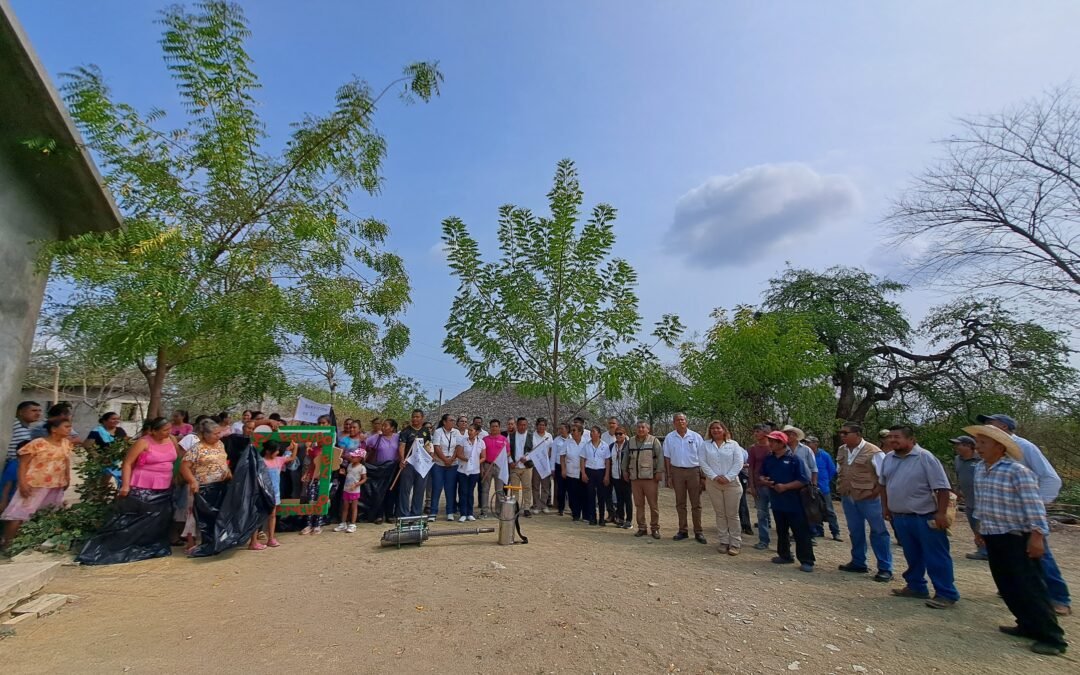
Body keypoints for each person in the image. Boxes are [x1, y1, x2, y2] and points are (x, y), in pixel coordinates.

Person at [964, 424, 1067, 656]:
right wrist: (979, 529)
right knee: (1007, 584)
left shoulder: (1017, 471)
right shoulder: (981, 469)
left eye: (983, 443)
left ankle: (1052, 637)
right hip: (994, 534)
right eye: (977, 443)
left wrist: (1037, 537)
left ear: (1000, 447)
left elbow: (1034, 507)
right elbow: (982, 503)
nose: (978, 448)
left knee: (1030, 586)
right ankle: (1026, 624)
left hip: (1017, 537)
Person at [976, 413, 1070, 616]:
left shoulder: (1024, 446)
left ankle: (1058, 598)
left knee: (1039, 556)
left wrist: (1037, 505)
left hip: (1025, 514)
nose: (985, 427)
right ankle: (1018, 595)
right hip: (1003, 516)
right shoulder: (987, 451)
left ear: (1004, 427)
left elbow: (1050, 478)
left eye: (990, 424)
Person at [76, 417, 179, 565]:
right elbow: (127, 463)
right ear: (153, 431)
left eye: (169, 429)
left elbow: (175, 460)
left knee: (158, 518)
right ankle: (121, 545)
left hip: (164, 484)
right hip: (142, 484)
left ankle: (150, 545)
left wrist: (175, 478)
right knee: (135, 518)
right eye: (164, 430)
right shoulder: (143, 442)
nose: (168, 432)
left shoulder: (172, 440)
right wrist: (125, 485)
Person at [880, 425, 958, 609]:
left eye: (897, 437)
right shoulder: (888, 458)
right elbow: (883, 485)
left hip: (925, 516)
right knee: (912, 554)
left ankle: (946, 593)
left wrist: (941, 513)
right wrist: (886, 507)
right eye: (890, 437)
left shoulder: (925, 457)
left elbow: (942, 488)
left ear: (911, 439)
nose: (892, 440)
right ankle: (916, 586)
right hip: (900, 516)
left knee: (936, 555)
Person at [0, 418, 74, 547]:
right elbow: (23, 464)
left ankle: (28, 543)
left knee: (46, 513)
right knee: (19, 514)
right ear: (54, 429)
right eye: (66, 426)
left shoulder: (66, 443)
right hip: (34, 484)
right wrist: (23, 483)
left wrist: (67, 478)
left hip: (56, 485)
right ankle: (7, 544)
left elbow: (66, 462)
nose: (69, 429)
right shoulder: (38, 443)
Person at [836, 423, 893, 582]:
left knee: (879, 531)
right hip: (849, 497)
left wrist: (874, 493)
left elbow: (884, 477)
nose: (842, 435)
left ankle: (885, 568)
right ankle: (858, 561)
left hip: (870, 499)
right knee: (855, 530)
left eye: (845, 432)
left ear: (858, 434)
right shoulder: (842, 450)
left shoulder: (874, 452)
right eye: (841, 432)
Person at [759, 430, 814, 572]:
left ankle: (807, 560)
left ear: (781, 443)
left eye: (772, 441)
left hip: (795, 502)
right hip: (777, 501)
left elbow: (804, 479)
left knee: (800, 531)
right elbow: (762, 474)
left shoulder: (795, 460)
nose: (769, 444)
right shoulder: (769, 458)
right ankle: (784, 555)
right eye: (769, 441)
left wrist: (785, 487)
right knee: (781, 530)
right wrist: (764, 480)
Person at [179, 419, 232, 553]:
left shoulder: (220, 444)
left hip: (220, 485)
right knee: (194, 515)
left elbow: (223, 461)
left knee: (216, 514)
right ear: (205, 434)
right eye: (215, 434)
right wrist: (192, 481)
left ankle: (215, 541)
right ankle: (191, 544)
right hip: (201, 487)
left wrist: (229, 474)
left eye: (219, 433)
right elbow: (184, 467)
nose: (218, 436)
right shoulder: (197, 448)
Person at [701, 421, 745, 555]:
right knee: (720, 514)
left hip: (731, 484)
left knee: (732, 514)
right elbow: (703, 462)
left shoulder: (733, 444)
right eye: (713, 428)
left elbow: (739, 462)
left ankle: (735, 543)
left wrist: (728, 477)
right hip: (713, 483)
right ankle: (724, 541)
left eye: (718, 428)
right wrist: (714, 476)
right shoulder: (705, 445)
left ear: (724, 430)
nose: (715, 430)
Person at [663, 413, 706, 543]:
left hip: (694, 471)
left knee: (696, 503)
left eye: (682, 419)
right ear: (673, 423)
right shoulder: (670, 437)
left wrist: (703, 476)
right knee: (680, 503)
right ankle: (683, 530)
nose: (680, 422)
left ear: (686, 421)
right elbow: (667, 458)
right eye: (677, 420)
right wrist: (669, 476)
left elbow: (703, 456)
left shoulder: (696, 437)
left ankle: (698, 531)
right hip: (677, 471)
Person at [623, 420, 664, 539]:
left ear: (648, 429)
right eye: (638, 427)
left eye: (643, 427)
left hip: (650, 478)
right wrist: (624, 470)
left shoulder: (654, 441)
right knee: (639, 504)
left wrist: (659, 472)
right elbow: (626, 457)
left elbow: (660, 456)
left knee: (653, 505)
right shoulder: (630, 441)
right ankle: (642, 528)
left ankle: (655, 528)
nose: (640, 429)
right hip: (635, 478)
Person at [950, 434, 986, 561]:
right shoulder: (957, 460)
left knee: (983, 525)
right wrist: (958, 491)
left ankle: (988, 551)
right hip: (969, 500)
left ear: (969, 446)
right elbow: (959, 475)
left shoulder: (981, 459)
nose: (956, 447)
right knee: (974, 526)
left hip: (983, 500)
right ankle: (982, 550)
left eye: (959, 444)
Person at [2, 401, 42, 512]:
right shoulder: (14, 424)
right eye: (33, 410)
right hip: (13, 465)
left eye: (39, 411)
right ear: (20, 412)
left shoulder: (25, 428)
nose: (38, 413)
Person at [397, 409, 434, 520]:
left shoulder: (425, 431)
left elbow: (428, 445)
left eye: (417, 417)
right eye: (413, 417)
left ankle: (416, 514)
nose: (415, 419)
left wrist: (430, 456)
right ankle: (404, 514)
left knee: (419, 490)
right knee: (405, 490)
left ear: (422, 418)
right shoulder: (405, 431)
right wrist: (402, 460)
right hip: (408, 464)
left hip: (421, 465)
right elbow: (402, 446)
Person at [364, 418, 399, 524]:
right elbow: (364, 445)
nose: (383, 427)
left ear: (392, 428)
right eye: (382, 425)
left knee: (391, 491)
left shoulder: (398, 437)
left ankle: (389, 514)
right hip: (379, 469)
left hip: (393, 469)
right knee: (378, 491)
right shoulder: (376, 438)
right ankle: (379, 515)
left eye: (386, 425)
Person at [259, 440, 293, 547]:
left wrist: (294, 447)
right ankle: (254, 540)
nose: (278, 452)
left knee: (272, 515)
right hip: (263, 492)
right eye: (276, 450)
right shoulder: (261, 462)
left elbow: (291, 458)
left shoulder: (278, 460)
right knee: (259, 516)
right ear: (268, 451)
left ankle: (271, 538)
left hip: (275, 493)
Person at [807, 436, 841, 542]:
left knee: (829, 510)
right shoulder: (806, 454)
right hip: (810, 487)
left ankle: (836, 532)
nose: (807, 445)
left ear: (816, 443)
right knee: (812, 510)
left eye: (809, 443)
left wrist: (825, 481)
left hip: (823, 487)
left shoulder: (824, 455)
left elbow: (832, 470)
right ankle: (817, 530)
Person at [747, 424, 773, 551]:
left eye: (758, 431)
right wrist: (751, 485)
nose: (755, 434)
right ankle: (764, 540)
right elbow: (750, 468)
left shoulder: (774, 447)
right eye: (754, 431)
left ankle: (783, 542)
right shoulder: (753, 448)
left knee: (779, 514)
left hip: (774, 485)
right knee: (761, 514)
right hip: (759, 485)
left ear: (766, 433)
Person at [431, 413, 461, 522]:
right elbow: (436, 446)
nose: (453, 422)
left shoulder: (456, 432)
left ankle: (450, 512)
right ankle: (433, 512)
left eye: (453, 420)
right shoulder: (438, 431)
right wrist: (445, 459)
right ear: (444, 422)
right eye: (451, 420)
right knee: (437, 487)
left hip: (452, 464)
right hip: (439, 464)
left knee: (450, 488)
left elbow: (458, 446)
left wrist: (452, 459)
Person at [581, 425, 611, 526]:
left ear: (599, 433)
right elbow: (582, 460)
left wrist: (606, 475)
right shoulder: (586, 445)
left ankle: (602, 518)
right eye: (591, 432)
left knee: (601, 496)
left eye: (593, 432)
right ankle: (592, 517)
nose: (591, 433)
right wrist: (583, 473)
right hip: (589, 471)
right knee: (590, 495)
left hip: (601, 471)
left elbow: (607, 461)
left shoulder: (605, 445)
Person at [479, 420, 510, 518]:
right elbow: (481, 454)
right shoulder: (484, 439)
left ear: (499, 427)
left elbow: (509, 453)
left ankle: (498, 511)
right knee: (485, 490)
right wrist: (482, 468)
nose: (494, 428)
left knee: (499, 490)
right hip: (487, 466)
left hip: (499, 467)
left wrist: (501, 457)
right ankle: (484, 511)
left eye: (496, 426)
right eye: (492, 426)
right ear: (490, 427)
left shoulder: (504, 439)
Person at [455, 422, 484, 521]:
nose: (469, 432)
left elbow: (484, 457)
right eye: (469, 430)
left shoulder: (481, 442)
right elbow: (458, 454)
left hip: (474, 471)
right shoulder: (463, 441)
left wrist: (476, 462)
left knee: (470, 492)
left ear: (476, 432)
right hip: (463, 470)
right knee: (463, 491)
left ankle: (470, 513)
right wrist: (466, 459)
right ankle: (463, 513)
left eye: (471, 430)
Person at [334, 450, 367, 533]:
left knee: (354, 507)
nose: (351, 457)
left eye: (353, 456)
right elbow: (349, 476)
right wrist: (344, 474)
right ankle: (343, 523)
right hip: (346, 489)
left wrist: (356, 484)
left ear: (359, 458)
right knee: (345, 507)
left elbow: (364, 479)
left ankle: (352, 524)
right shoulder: (349, 465)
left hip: (355, 491)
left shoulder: (362, 467)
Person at [508, 417, 534, 517]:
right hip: (515, 466)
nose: (522, 427)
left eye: (524, 425)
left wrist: (527, 458)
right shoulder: (510, 436)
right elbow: (508, 451)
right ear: (517, 425)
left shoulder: (531, 436)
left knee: (527, 488)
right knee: (514, 488)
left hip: (526, 467)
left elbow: (535, 451)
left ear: (527, 425)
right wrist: (511, 462)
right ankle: (515, 507)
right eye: (520, 425)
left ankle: (527, 508)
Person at [607, 427, 632, 528]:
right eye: (616, 434)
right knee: (619, 499)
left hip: (626, 476)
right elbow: (609, 461)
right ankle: (620, 518)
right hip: (615, 476)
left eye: (620, 434)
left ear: (625, 434)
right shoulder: (612, 446)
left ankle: (629, 520)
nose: (618, 436)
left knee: (627, 499)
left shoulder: (629, 445)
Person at [561, 423, 586, 522]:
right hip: (570, 472)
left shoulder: (586, 442)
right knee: (572, 494)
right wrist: (563, 469)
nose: (572, 432)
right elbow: (562, 456)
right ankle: (575, 513)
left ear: (580, 432)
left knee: (582, 494)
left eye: (574, 430)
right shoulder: (567, 442)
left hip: (582, 472)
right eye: (571, 430)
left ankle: (583, 514)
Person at [530, 418, 554, 514]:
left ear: (546, 426)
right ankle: (536, 506)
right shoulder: (532, 436)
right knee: (535, 486)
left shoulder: (549, 436)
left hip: (545, 464)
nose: (541, 427)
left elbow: (551, 450)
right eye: (540, 425)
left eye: (543, 425)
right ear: (536, 425)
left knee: (545, 486)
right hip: (536, 464)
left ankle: (543, 505)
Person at [552, 423, 571, 516]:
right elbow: (553, 455)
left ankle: (572, 508)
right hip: (559, 466)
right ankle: (561, 508)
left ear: (567, 429)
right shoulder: (556, 440)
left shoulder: (572, 439)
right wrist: (553, 468)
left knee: (571, 488)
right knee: (561, 489)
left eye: (562, 429)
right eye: (559, 429)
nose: (560, 430)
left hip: (570, 466)